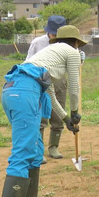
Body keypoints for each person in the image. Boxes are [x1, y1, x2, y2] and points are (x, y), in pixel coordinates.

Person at [0, 25, 86, 197]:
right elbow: (74, 87)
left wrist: (66, 119)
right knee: (23, 153)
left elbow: (50, 95)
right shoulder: (72, 52)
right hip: (24, 93)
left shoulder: (46, 58)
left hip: (15, 90)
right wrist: (74, 112)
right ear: (76, 43)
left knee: (35, 149)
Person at [26, 15, 67, 164]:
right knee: (41, 117)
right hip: (41, 81)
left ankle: (54, 147)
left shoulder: (67, 43)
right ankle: (38, 150)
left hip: (59, 81)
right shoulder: (38, 43)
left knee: (58, 113)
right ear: (48, 31)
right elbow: (28, 62)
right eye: (53, 34)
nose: (55, 37)